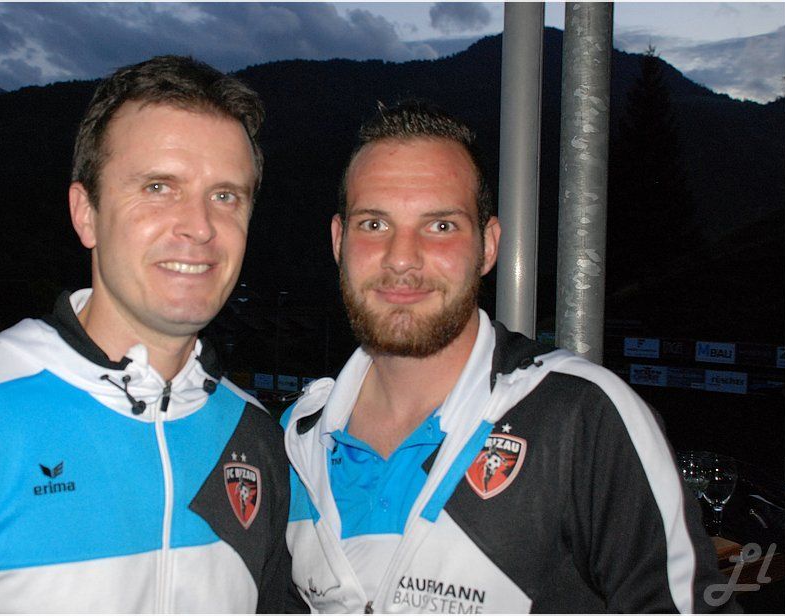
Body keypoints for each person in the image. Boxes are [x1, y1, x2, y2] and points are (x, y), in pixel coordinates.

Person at [0, 55, 291, 613]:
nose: (199, 226)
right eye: (158, 187)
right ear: (86, 213)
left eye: (225, 195)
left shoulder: (257, 438)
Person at [281, 101, 732, 612]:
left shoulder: (584, 419)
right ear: (339, 241)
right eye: (374, 224)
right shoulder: (294, 438)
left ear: (489, 246)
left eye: (441, 226)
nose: (402, 258)